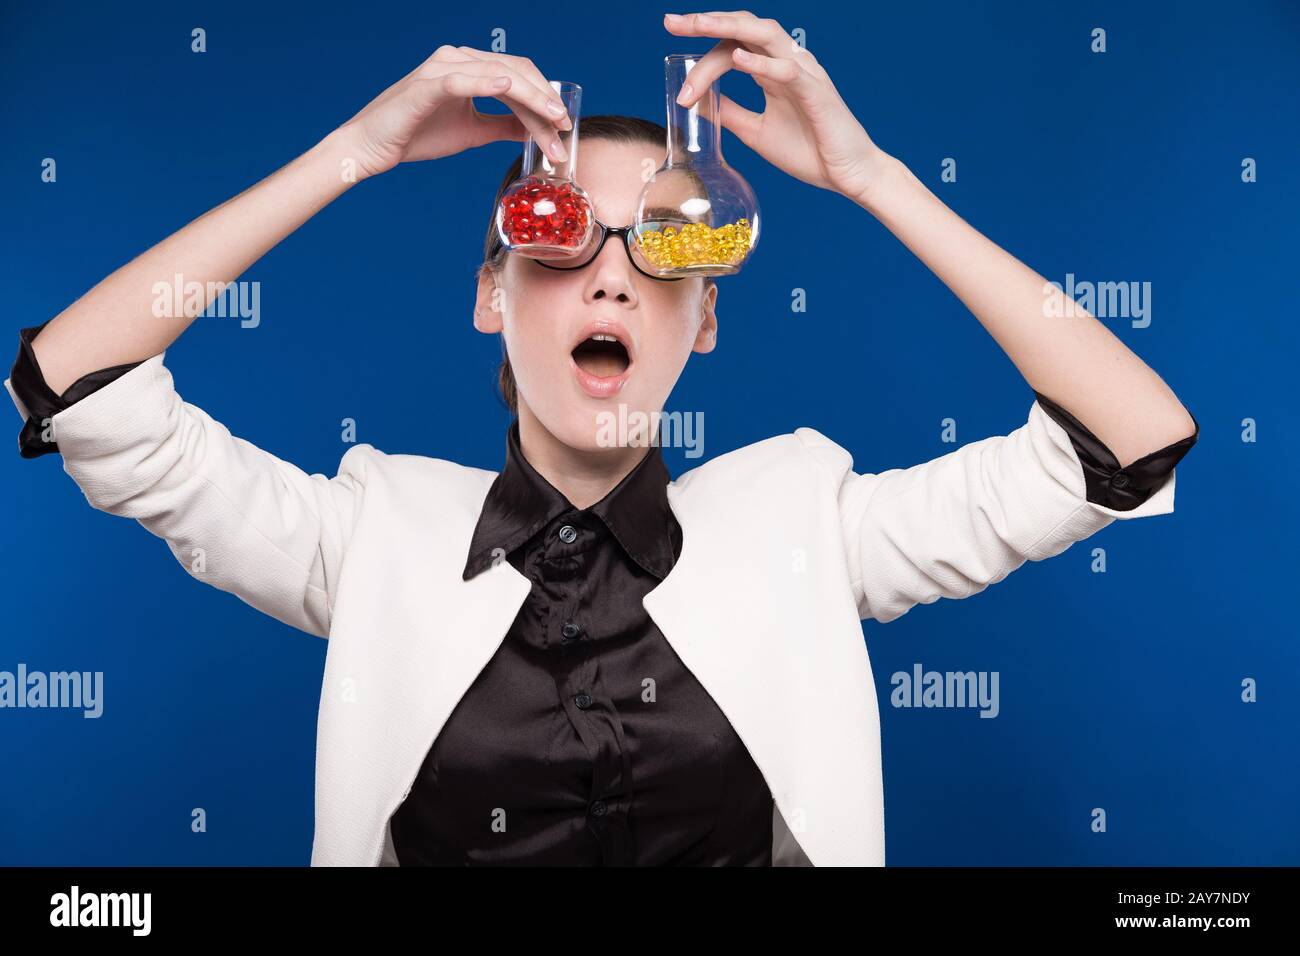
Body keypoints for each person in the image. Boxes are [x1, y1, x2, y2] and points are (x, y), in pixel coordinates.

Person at [4, 13, 1199, 866]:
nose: (610, 280)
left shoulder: (810, 529)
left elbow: (1129, 438)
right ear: (493, 294)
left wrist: (873, 177)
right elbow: (76, 385)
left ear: (707, 316)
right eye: (555, 230)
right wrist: (351, 154)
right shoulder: (370, 534)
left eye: (664, 245)